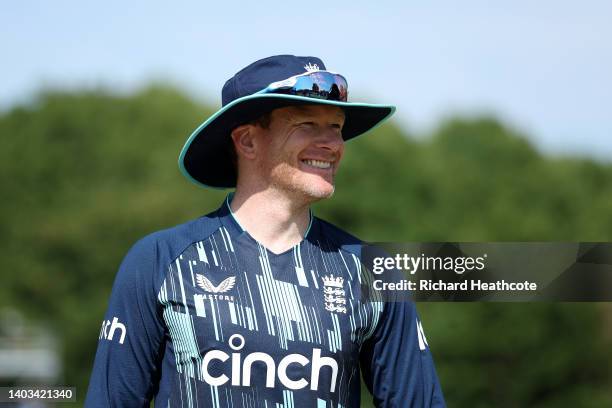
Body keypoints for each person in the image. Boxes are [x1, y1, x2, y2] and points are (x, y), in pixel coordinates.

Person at [85, 55, 446, 407]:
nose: (332, 144)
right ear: (247, 141)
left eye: (335, 127)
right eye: (307, 124)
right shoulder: (160, 260)